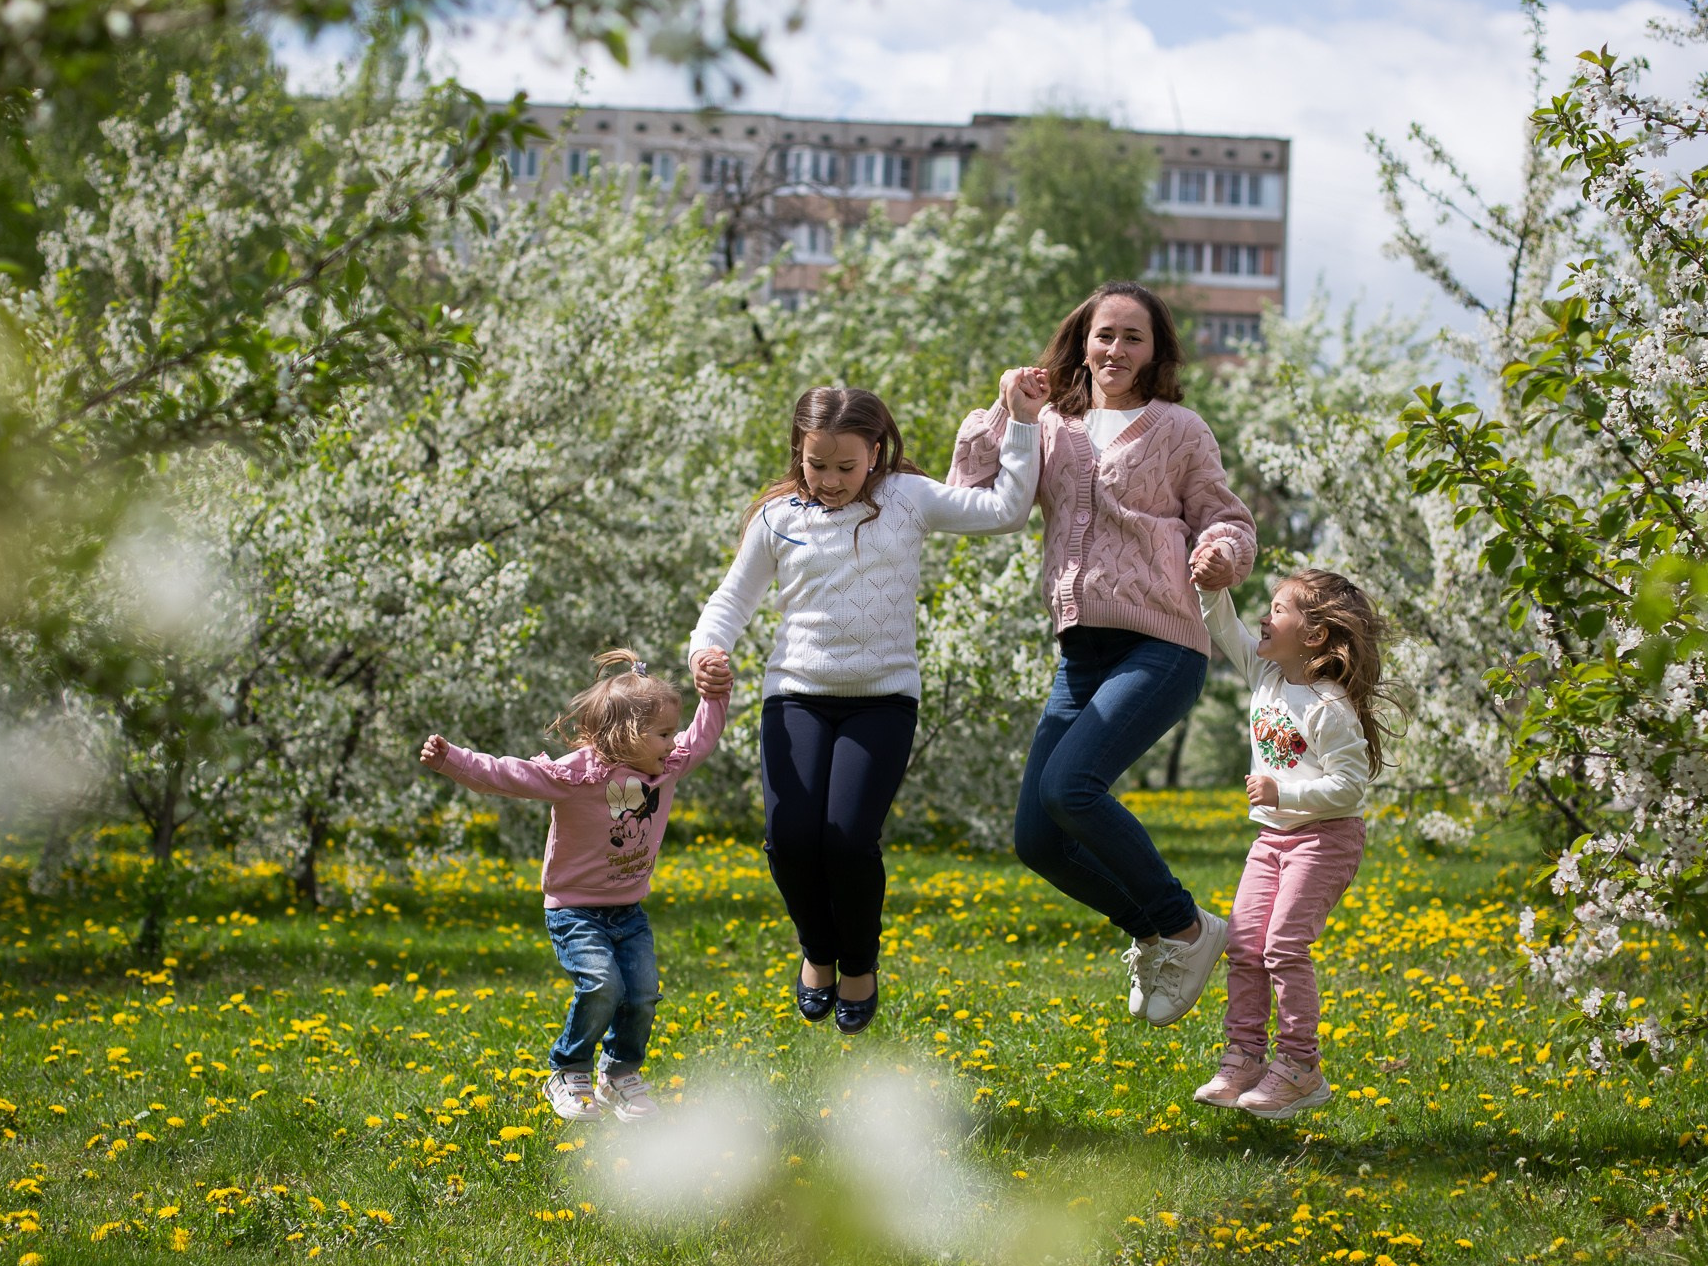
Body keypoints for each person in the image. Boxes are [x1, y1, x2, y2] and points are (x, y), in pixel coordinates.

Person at [946, 280, 1258, 1027]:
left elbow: (1226, 520)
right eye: (1104, 334)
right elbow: (973, 490)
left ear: (1156, 352)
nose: (1116, 349)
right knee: (1037, 838)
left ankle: (1183, 925)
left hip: (1161, 642)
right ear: (1082, 341)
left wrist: (1219, 554)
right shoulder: (1050, 423)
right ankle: (1156, 930)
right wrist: (1007, 412)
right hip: (1080, 654)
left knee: (1071, 788)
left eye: (1133, 337)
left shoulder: (1180, 428)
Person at [689, 386, 1037, 1033]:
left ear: (875, 452)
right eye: (816, 464)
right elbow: (731, 600)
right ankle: (818, 952)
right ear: (800, 451)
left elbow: (1007, 510)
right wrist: (707, 649)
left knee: (847, 841)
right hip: (794, 694)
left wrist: (1020, 422)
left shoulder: (907, 498)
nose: (829, 480)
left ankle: (859, 965)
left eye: (846, 467)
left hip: (882, 700)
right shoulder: (778, 517)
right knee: (791, 840)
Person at [418, 651, 725, 1122]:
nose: (673, 741)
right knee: (603, 985)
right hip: (575, 911)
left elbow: (702, 738)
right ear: (626, 734)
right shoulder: (578, 774)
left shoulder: (665, 768)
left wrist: (715, 694)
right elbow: (508, 775)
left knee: (642, 993)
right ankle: (568, 1070)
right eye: (664, 733)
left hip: (629, 910)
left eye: (673, 731)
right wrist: (453, 761)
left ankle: (619, 1075)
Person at [1192, 570, 1387, 1119]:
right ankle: (1247, 1057)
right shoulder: (1266, 677)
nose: (1264, 615)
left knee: (1282, 947)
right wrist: (1209, 582)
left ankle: (1302, 1067)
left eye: (1279, 608)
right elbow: (1222, 623)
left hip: (1326, 839)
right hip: (1272, 839)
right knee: (1245, 943)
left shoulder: (1328, 707)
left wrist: (1284, 790)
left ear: (1314, 635)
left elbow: (1349, 787)